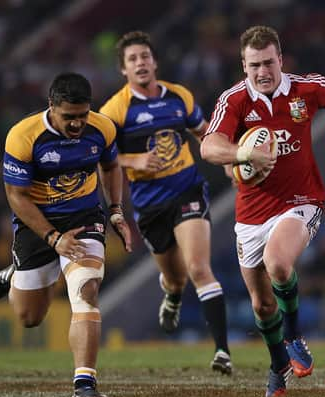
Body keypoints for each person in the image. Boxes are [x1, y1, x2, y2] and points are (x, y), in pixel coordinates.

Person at [200, 25, 325, 397]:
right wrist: (243, 154)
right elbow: (210, 147)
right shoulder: (234, 100)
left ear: (281, 59)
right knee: (262, 306)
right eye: (254, 65)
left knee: (279, 263)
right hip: (251, 213)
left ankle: (294, 337)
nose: (262, 72)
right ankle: (278, 365)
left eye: (268, 63)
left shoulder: (305, 89)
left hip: (301, 201)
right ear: (243, 66)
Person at [0, 72, 132, 397]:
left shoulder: (103, 128)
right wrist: (54, 239)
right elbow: (17, 196)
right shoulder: (23, 136)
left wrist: (115, 211)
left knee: (87, 287)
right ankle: (15, 275)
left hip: (84, 216)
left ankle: (84, 383)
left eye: (83, 115)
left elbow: (111, 167)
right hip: (36, 221)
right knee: (30, 317)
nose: (77, 124)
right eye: (69, 117)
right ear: (51, 106)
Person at [98, 30, 232, 374]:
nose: (140, 63)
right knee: (175, 279)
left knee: (199, 267)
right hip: (150, 205)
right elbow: (98, 157)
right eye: (132, 59)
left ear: (154, 62)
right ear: (123, 70)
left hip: (187, 190)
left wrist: (230, 159)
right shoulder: (114, 110)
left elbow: (203, 132)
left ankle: (222, 351)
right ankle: (172, 295)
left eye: (145, 56)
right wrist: (133, 161)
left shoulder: (179, 97)